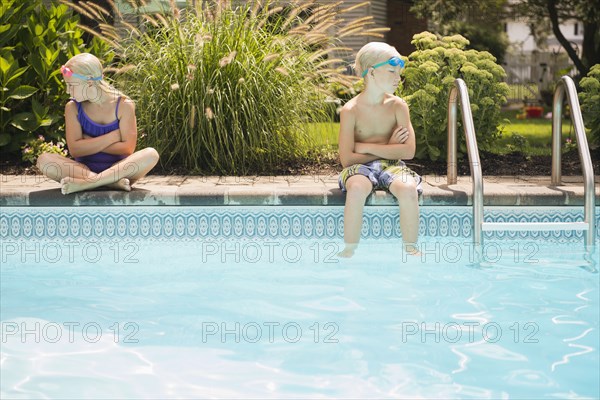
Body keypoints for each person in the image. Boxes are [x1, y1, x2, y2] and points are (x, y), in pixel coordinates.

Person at [338, 42, 422, 258]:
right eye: (392, 71)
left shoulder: (398, 106)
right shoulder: (351, 110)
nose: (398, 78)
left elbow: (409, 151)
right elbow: (347, 159)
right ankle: (349, 250)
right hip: (359, 167)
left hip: (393, 166)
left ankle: (411, 248)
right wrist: (389, 147)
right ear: (372, 72)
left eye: (399, 72)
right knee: (357, 189)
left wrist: (366, 147)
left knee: (408, 188)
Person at [37, 53, 159, 195]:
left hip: (119, 168)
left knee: (151, 154)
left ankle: (87, 184)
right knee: (43, 160)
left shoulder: (124, 105)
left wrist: (88, 141)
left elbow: (127, 149)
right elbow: (76, 150)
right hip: (82, 170)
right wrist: (113, 137)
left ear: (89, 82)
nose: (67, 91)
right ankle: (109, 182)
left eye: (71, 85)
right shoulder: (72, 108)